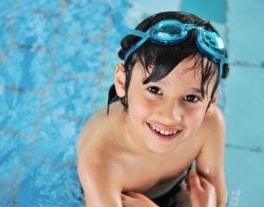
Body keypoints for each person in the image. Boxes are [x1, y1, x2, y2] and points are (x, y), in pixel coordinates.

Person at [77, 11, 229, 207]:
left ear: (210, 103)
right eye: (154, 89)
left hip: (171, 190)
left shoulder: (209, 124)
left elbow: (216, 193)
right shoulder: (101, 159)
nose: (170, 116)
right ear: (122, 82)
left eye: (191, 98)